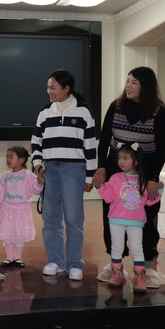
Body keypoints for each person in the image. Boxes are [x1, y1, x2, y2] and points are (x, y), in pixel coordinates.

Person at [92, 67, 165, 288]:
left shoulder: (158, 112)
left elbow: (162, 149)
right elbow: (104, 140)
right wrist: (101, 167)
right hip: (115, 167)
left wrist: (153, 178)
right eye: (127, 81)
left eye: (134, 82)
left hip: (145, 171)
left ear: (146, 86)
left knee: (145, 217)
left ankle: (147, 266)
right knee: (112, 215)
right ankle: (115, 264)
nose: (128, 85)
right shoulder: (116, 107)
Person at [31, 69, 96, 281]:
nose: (49, 91)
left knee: (73, 219)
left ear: (66, 88)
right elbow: (36, 142)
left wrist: (89, 176)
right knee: (50, 218)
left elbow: (90, 146)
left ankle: (74, 263)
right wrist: (37, 165)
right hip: (50, 169)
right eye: (48, 87)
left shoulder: (83, 111)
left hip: (74, 169)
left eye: (53, 87)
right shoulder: (45, 111)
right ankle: (56, 261)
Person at [98, 142, 164, 292]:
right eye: (119, 158)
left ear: (136, 161)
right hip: (116, 220)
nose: (121, 161)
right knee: (117, 247)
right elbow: (108, 198)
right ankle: (117, 273)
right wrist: (101, 186)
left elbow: (148, 201)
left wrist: (159, 190)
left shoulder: (142, 180)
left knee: (137, 248)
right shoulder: (115, 178)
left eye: (125, 158)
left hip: (136, 222)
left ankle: (139, 277)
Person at [0, 146, 44, 268]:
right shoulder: (5, 176)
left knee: (19, 235)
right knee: (8, 235)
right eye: (7, 157)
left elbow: (36, 190)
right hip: (6, 210)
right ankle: (9, 258)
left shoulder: (28, 175)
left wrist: (39, 183)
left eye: (11, 157)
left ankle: (18, 258)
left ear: (21, 160)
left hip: (22, 211)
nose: (8, 160)